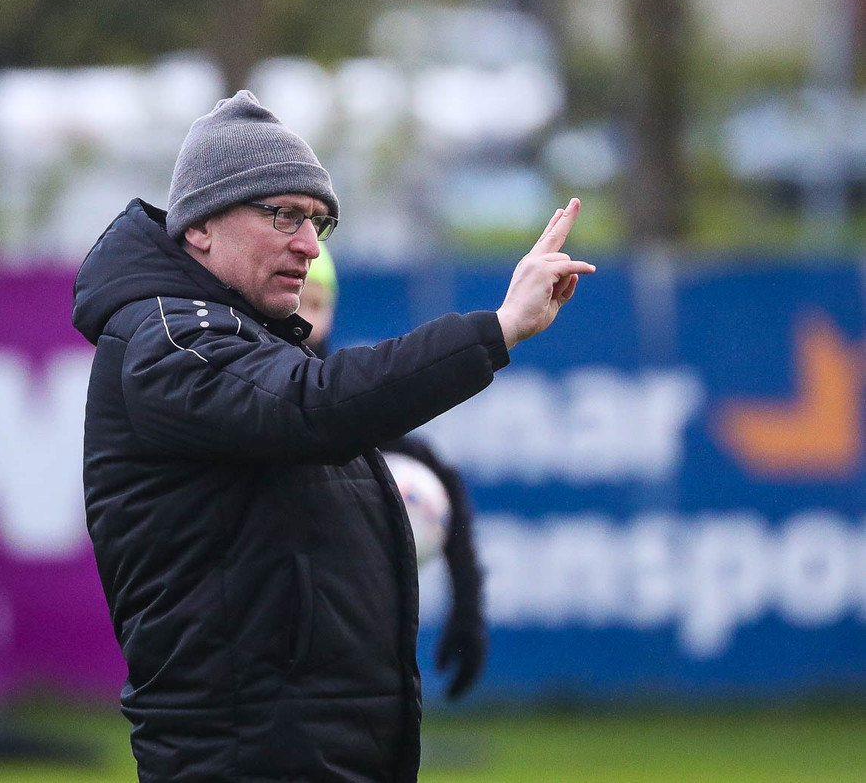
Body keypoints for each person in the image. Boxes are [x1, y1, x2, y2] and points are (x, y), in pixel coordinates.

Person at [71, 90, 595, 783]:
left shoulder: (245, 340)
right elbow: (314, 407)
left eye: (318, 221)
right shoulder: (169, 338)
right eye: (284, 215)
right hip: (246, 760)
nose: (309, 244)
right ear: (200, 226)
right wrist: (496, 329)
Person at [298, 245, 487, 701]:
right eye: (298, 300)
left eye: (318, 304)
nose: (307, 320)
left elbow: (435, 474)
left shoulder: (343, 396)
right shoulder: (234, 392)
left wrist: (467, 605)